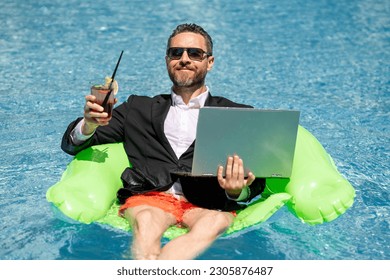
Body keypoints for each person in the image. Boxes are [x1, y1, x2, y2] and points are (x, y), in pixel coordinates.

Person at [61, 23, 265, 260]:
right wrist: (89, 123)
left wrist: (237, 191)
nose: (184, 59)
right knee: (147, 221)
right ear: (167, 60)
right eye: (176, 53)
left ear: (210, 62)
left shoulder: (237, 114)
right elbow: (72, 145)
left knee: (215, 222)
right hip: (149, 198)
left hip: (208, 203)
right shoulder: (138, 108)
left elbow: (258, 182)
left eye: (195, 53)